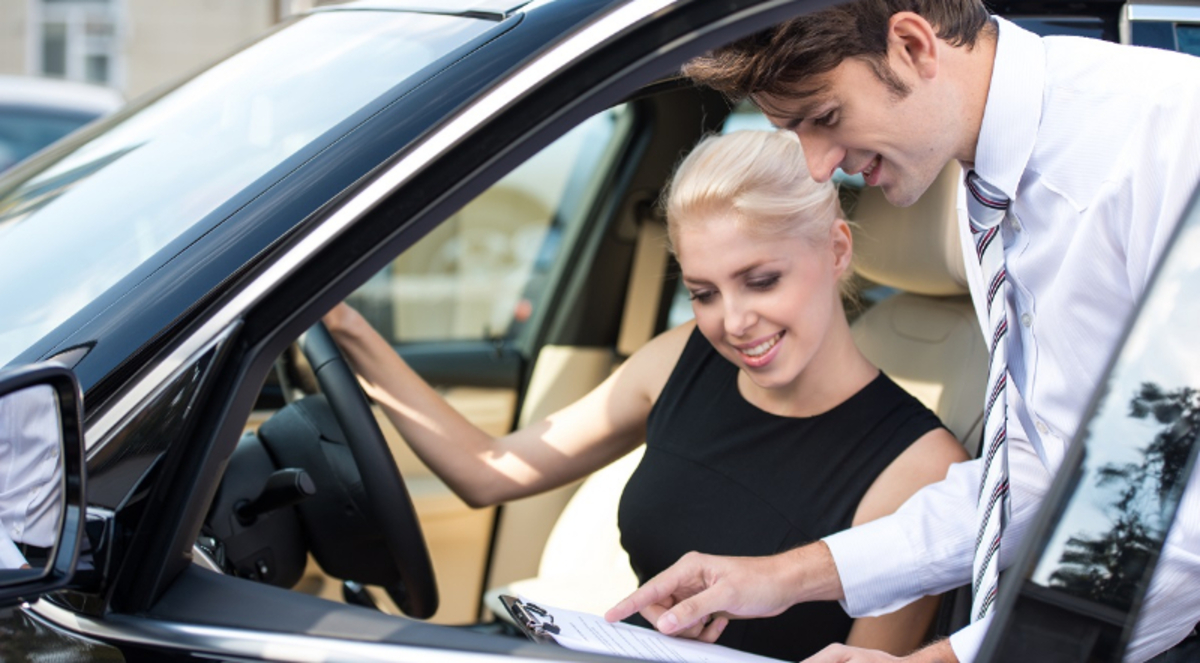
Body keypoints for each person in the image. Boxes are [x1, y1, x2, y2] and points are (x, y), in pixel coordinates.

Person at [604, 2, 1200, 662]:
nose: (816, 165)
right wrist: (781, 577)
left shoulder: (1170, 142)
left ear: (913, 46)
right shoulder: (991, 185)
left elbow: (1182, 529)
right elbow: (1036, 466)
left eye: (825, 118)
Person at [324, 129, 968, 660]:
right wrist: (345, 329)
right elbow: (490, 472)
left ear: (835, 250)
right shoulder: (682, 357)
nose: (734, 321)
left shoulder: (921, 469)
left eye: (762, 280)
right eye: (705, 292)